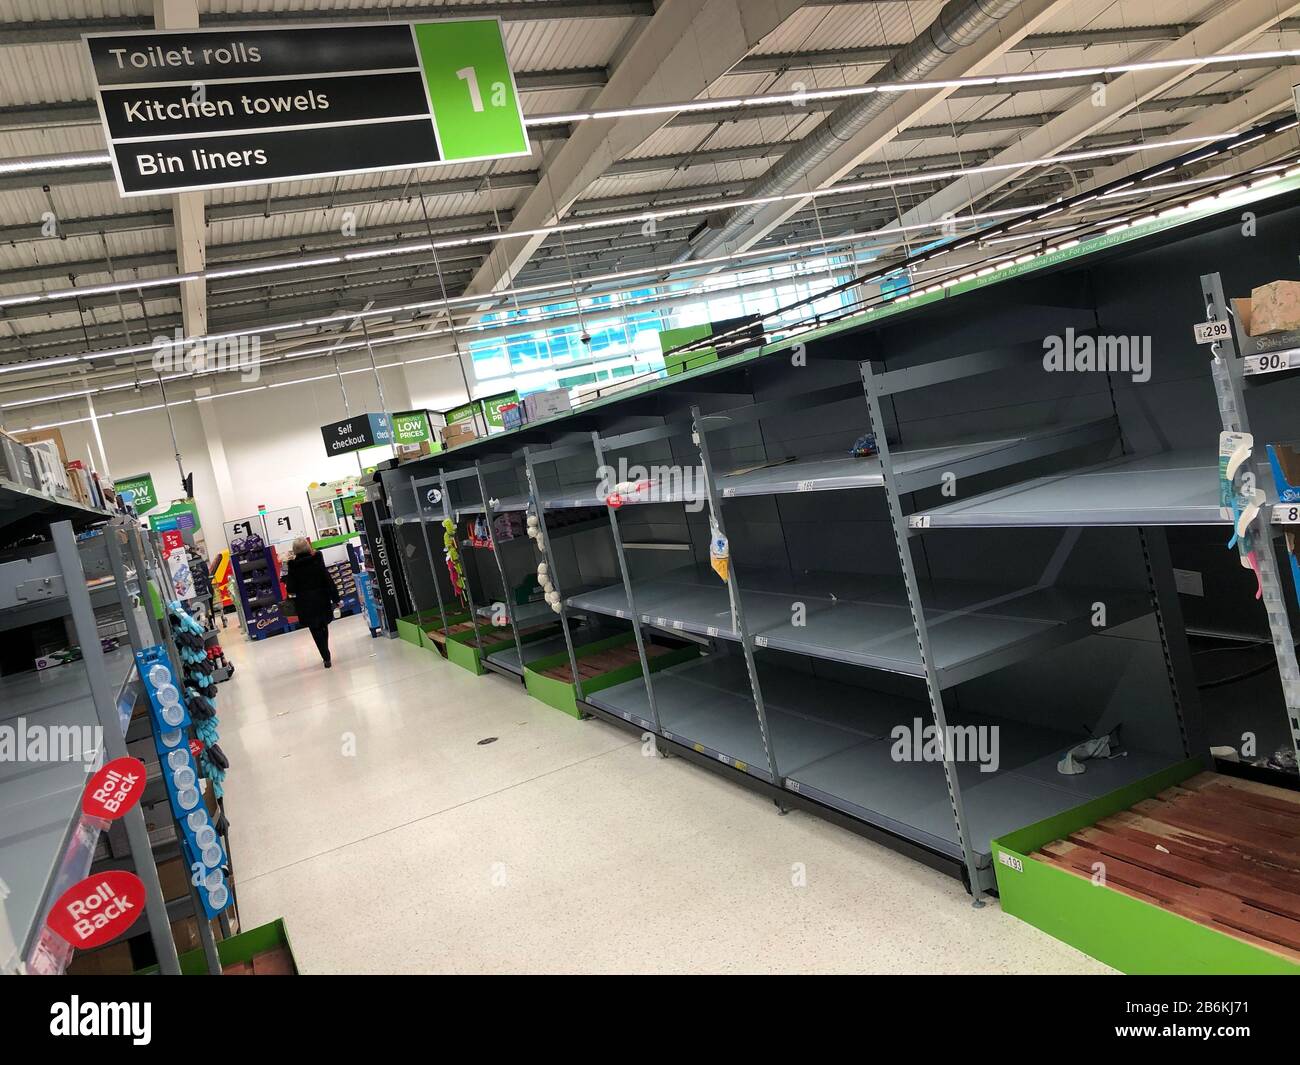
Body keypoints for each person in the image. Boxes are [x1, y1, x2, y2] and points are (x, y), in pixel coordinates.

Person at [284, 537, 340, 668]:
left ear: (295, 551)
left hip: (305, 602)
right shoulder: (317, 559)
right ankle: (326, 653)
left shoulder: (292, 566)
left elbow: (291, 588)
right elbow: (327, 579)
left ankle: (325, 656)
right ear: (308, 547)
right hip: (321, 598)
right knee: (323, 625)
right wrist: (336, 598)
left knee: (314, 629)